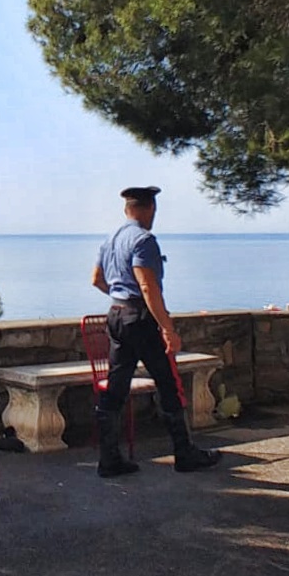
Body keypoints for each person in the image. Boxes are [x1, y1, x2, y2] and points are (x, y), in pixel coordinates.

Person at [90, 185, 221, 478]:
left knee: (115, 389)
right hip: (140, 318)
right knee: (168, 383)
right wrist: (168, 328)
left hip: (116, 314)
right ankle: (184, 454)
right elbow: (148, 287)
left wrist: (121, 295)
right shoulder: (144, 240)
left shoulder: (110, 239)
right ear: (149, 209)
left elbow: (97, 279)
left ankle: (109, 459)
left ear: (127, 209)